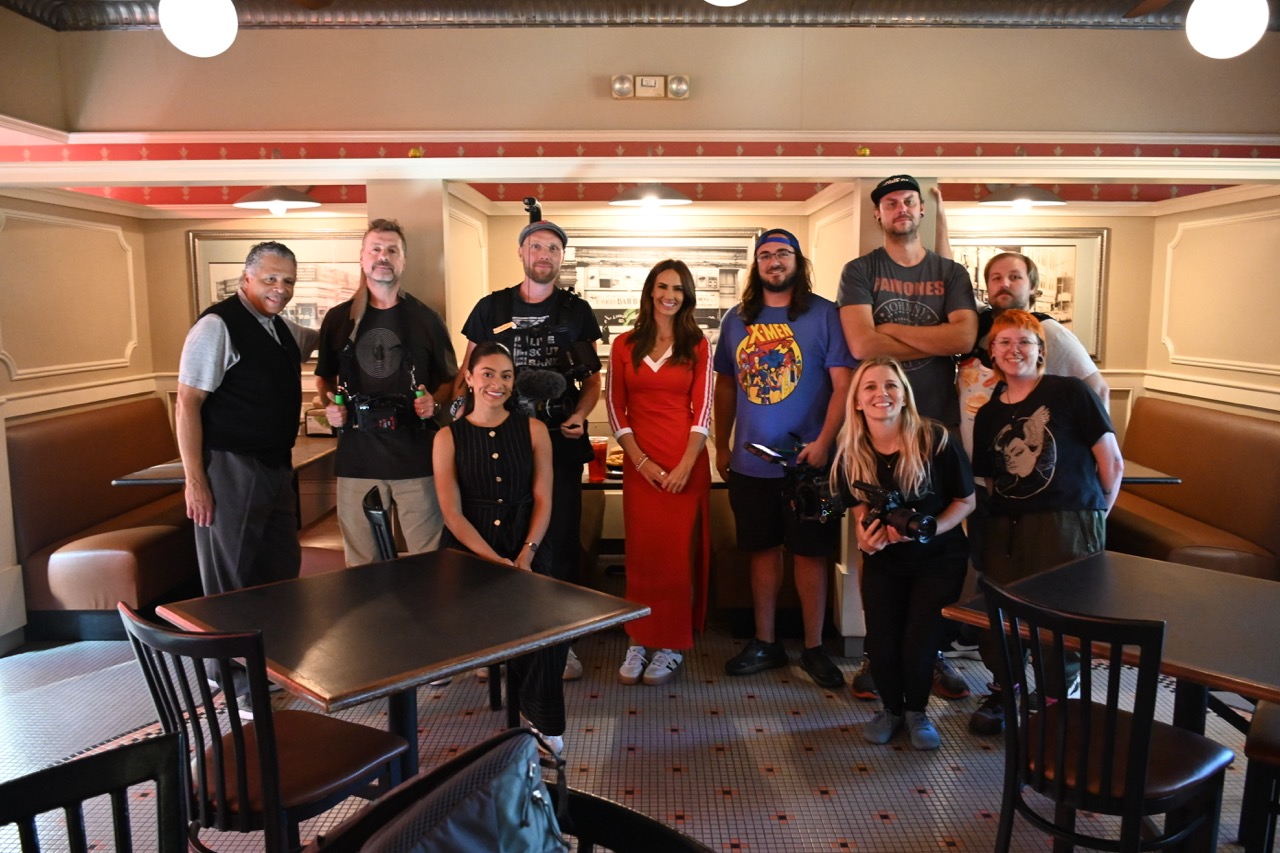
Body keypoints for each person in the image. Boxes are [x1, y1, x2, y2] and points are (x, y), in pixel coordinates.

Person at [837, 174, 979, 702]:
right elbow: (860, 343)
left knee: (936, 544)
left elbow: (964, 336)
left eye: (910, 202)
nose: (901, 209)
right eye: (891, 203)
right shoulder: (860, 270)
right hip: (874, 428)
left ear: (923, 212)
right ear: (879, 214)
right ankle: (878, 654)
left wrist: (890, 332)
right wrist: (933, 339)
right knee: (875, 540)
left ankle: (930, 653)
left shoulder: (951, 272)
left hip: (935, 429)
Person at [176, 241, 318, 711]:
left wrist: (369, 282)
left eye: (288, 281)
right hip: (230, 466)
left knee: (277, 570)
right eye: (270, 279)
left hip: (275, 465)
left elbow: (326, 336)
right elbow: (187, 403)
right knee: (230, 578)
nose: (281, 289)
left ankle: (266, 664)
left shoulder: (279, 328)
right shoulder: (217, 326)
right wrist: (195, 480)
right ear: (246, 278)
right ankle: (230, 676)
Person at [967, 309, 1124, 735]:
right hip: (1007, 527)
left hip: (1067, 522)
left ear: (1040, 350)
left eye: (1024, 342)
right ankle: (1006, 689)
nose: (1014, 350)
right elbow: (992, 480)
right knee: (1000, 615)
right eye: (1004, 342)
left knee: (1061, 618)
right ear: (992, 352)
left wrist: (1094, 519)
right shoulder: (989, 414)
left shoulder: (1070, 392)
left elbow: (1111, 462)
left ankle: (1058, 701)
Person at [458, 220, 602, 682]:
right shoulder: (491, 307)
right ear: (521, 252)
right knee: (498, 538)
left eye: (553, 248)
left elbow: (592, 380)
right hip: (497, 442)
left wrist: (581, 415)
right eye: (536, 246)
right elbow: (467, 372)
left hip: (559, 442)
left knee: (558, 541)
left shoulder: (577, 311)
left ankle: (561, 642)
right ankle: (498, 641)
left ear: (561, 257)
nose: (544, 254)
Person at [714, 228, 855, 689]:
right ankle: (765, 641)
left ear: (798, 261)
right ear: (756, 265)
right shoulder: (737, 319)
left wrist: (825, 442)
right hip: (750, 464)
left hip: (814, 464)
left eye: (783, 254)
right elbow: (725, 386)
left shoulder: (827, 315)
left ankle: (814, 647)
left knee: (812, 553)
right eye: (765, 256)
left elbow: (844, 385)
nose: (774, 262)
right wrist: (720, 444)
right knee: (760, 550)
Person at [831, 357, 975, 750]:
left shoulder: (936, 440)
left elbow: (966, 501)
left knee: (919, 645)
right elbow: (857, 511)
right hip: (884, 562)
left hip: (939, 560)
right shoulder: (850, 450)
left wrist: (928, 531)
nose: (882, 394)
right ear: (857, 401)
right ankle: (891, 710)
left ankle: (917, 713)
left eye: (891, 385)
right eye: (870, 387)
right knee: (881, 643)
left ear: (905, 395)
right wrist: (866, 540)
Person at [431, 342, 565, 752]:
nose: (497, 383)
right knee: (501, 609)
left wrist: (526, 553)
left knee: (549, 623)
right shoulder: (447, 437)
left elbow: (543, 498)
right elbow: (452, 515)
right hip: (469, 549)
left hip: (526, 538)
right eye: (487, 374)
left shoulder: (534, 430)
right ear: (469, 378)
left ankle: (541, 721)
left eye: (506, 376)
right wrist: (494, 561)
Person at [315, 218, 458, 566]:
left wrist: (434, 403)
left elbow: (450, 381)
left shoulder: (427, 319)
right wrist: (330, 407)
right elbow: (324, 378)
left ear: (403, 261)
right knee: (362, 566)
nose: (383, 256)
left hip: (417, 458)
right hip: (357, 459)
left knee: (428, 561)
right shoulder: (338, 319)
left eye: (392, 250)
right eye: (375, 249)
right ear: (362, 258)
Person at [605, 259, 713, 686]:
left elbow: (703, 409)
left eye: (679, 289)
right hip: (641, 466)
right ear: (650, 290)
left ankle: (671, 644)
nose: (670, 295)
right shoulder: (623, 344)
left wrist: (685, 464)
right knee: (642, 557)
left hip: (685, 464)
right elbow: (615, 407)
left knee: (676, 559)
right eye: (663, 286)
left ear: (687, 297)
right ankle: (638, 638)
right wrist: (640, 461)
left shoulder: (697, 344)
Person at [957, 251, 1110, 462]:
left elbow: (1098, 390)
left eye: (1015, 277)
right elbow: (952, 279)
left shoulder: (1049, 332)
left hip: (1024, 466)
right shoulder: (978, 325)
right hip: (979, 464)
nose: (1004, 283)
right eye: (996, 278)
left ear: (1032, 287)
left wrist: (1098, 456)